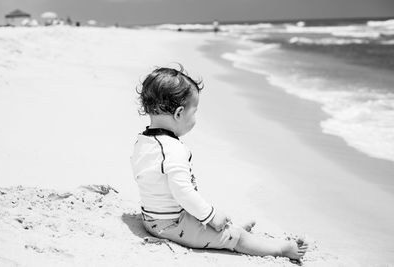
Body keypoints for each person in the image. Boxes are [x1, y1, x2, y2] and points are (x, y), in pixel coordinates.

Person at [130, 66, 308, 260]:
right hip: (171, 224)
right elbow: (183, 192)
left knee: (216, 223)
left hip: (152, 218)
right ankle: (282, 249)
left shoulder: (143, 141)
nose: (195, 118)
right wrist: (211, 216)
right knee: (234, 237)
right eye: (194, 111)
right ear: (179, 113)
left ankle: (230, 228)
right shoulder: (173, 149)